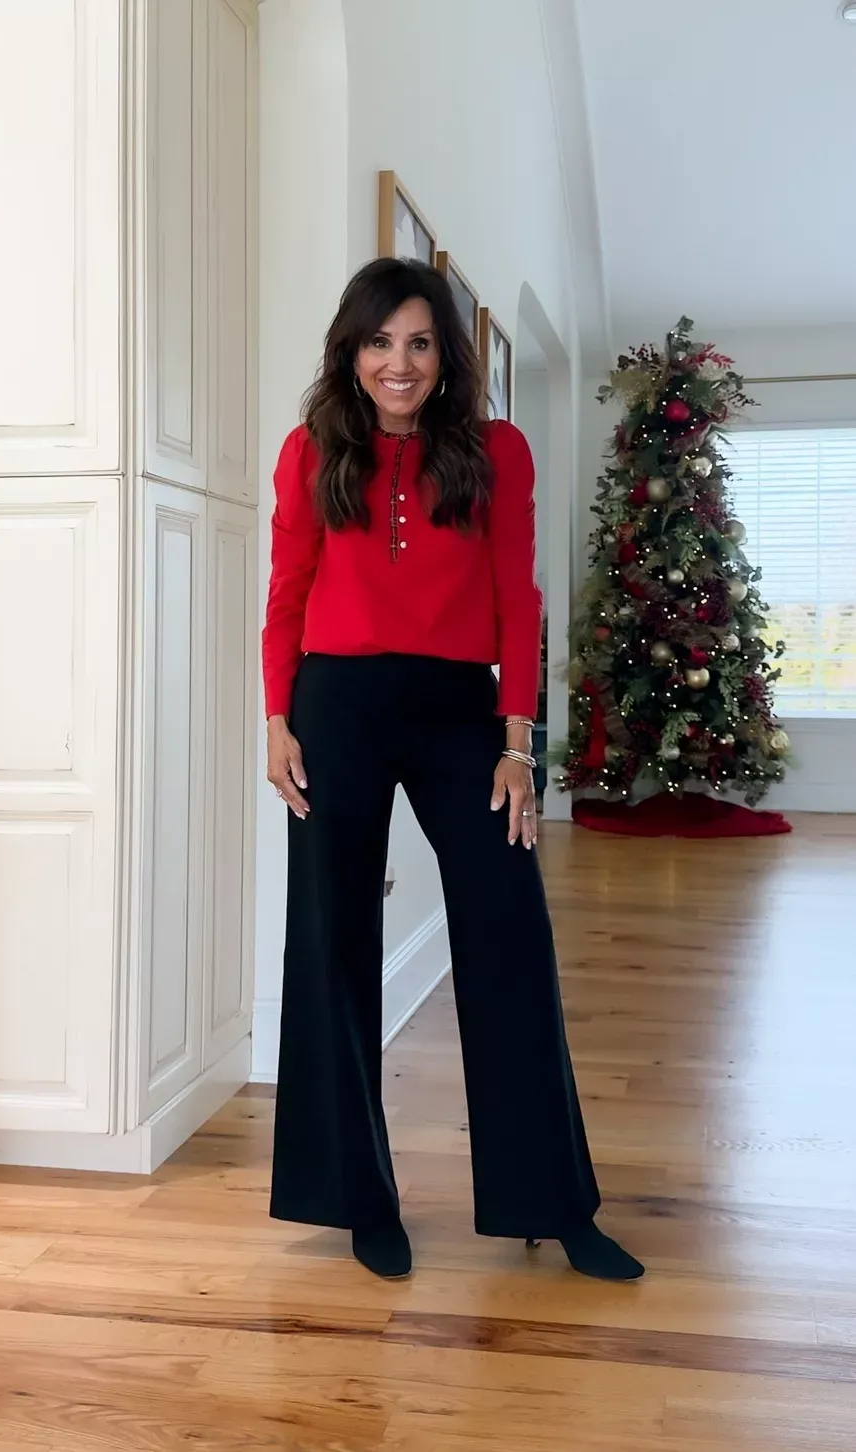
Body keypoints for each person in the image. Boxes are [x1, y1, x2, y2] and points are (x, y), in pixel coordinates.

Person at [262, 257, 644, 1283]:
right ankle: (357, 1201)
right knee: (332, 940)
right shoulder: (309, 453)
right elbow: (288, 590)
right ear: (353, 351)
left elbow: (519, 602)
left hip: (457, 714)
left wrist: (519, 743)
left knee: (508, 931)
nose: (400, 363)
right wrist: (275, 721)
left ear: (445, 358)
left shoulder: (496, 452)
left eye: (420, 343)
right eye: (381, 342)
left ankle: (552, 1203)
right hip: (333, 707)